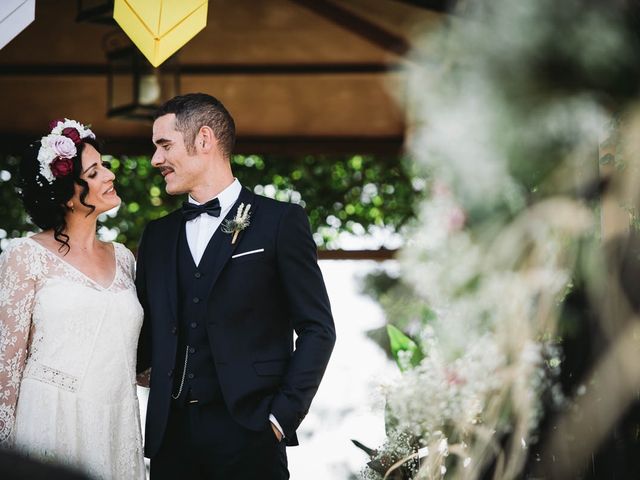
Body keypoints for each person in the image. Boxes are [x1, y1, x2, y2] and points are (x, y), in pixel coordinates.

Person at [135, 93, 336, 479]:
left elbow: (317, 328)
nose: (155, 160)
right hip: (171, 442)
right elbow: (141, 339)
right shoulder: (157, 237)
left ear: (205, 139)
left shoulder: (280, 222)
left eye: (165, 145)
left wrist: (281, 417)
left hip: (251, 436)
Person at [0, 119, 145, 479]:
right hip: (49, 417)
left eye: (103, 166)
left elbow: (138, 356)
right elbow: (5, 367)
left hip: (116, 419)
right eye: (95, 172)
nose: (110, 175)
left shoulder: (124, 258)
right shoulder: (24, 256)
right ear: (66, 193)